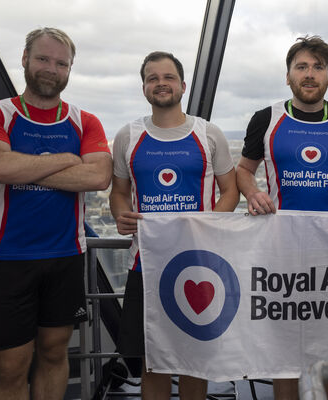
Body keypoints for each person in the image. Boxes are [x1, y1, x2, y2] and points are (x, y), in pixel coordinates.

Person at [236, 36, 328, 399]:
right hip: (282, 252)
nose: (310, 74)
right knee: (287, 350)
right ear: (288, 76)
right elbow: (244, 171)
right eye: (302, 67)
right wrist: (252, 193)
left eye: (318, 67)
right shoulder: (266, 118)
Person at [0, 28, 112, 400]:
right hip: (8, 257)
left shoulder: (85, 121)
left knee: (54, 353)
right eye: (43, 59)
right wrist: (67, 161)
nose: (51, 69)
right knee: (11, 366)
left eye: (61, 63)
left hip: (65, 255)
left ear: (70, 69)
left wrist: (31, 165)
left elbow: (98, 176)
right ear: (24, 59)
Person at [109, 51, 239, 400]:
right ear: (144, 88)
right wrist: (121, 214)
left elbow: (231, 191)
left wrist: (210, 224)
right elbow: (119, 192)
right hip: (146, 265)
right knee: (154, 360)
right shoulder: (128, 136)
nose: (160, 83)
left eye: (168, 77)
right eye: (153, 78)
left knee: (193, 358)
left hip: (199, 262)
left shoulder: (208, 133)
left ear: (183, 85)